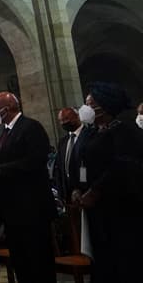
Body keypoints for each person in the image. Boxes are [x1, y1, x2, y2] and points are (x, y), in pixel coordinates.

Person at [74, 83, 143, 283]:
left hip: (120, 206)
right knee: (102, 258)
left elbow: (122, 166)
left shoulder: (126, 130)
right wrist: (80, 186)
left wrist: (95, 191)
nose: (85, 107)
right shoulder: (91, 132)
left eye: (90, 103)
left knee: (124, 259)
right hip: (96, 208)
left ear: (104, 106)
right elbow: (83, 162)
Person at [0, 91, 55, 283]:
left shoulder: (31, 127)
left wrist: (1, 169)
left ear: (6, 109)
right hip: (11, 207)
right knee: (21, 259)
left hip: (32, 206)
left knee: (38, 259)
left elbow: (36, 160)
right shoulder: (1, 132)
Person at [52, 107, 85, 204]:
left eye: (66, 119)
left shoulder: (88, 135)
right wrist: (61, 191)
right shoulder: (63, 142)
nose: (63, 123)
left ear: (77, 117)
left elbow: (84, 166)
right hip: (67, 194)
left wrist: (82, 188)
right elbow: (59, 168)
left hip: (84, 190)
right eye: (61, 121)